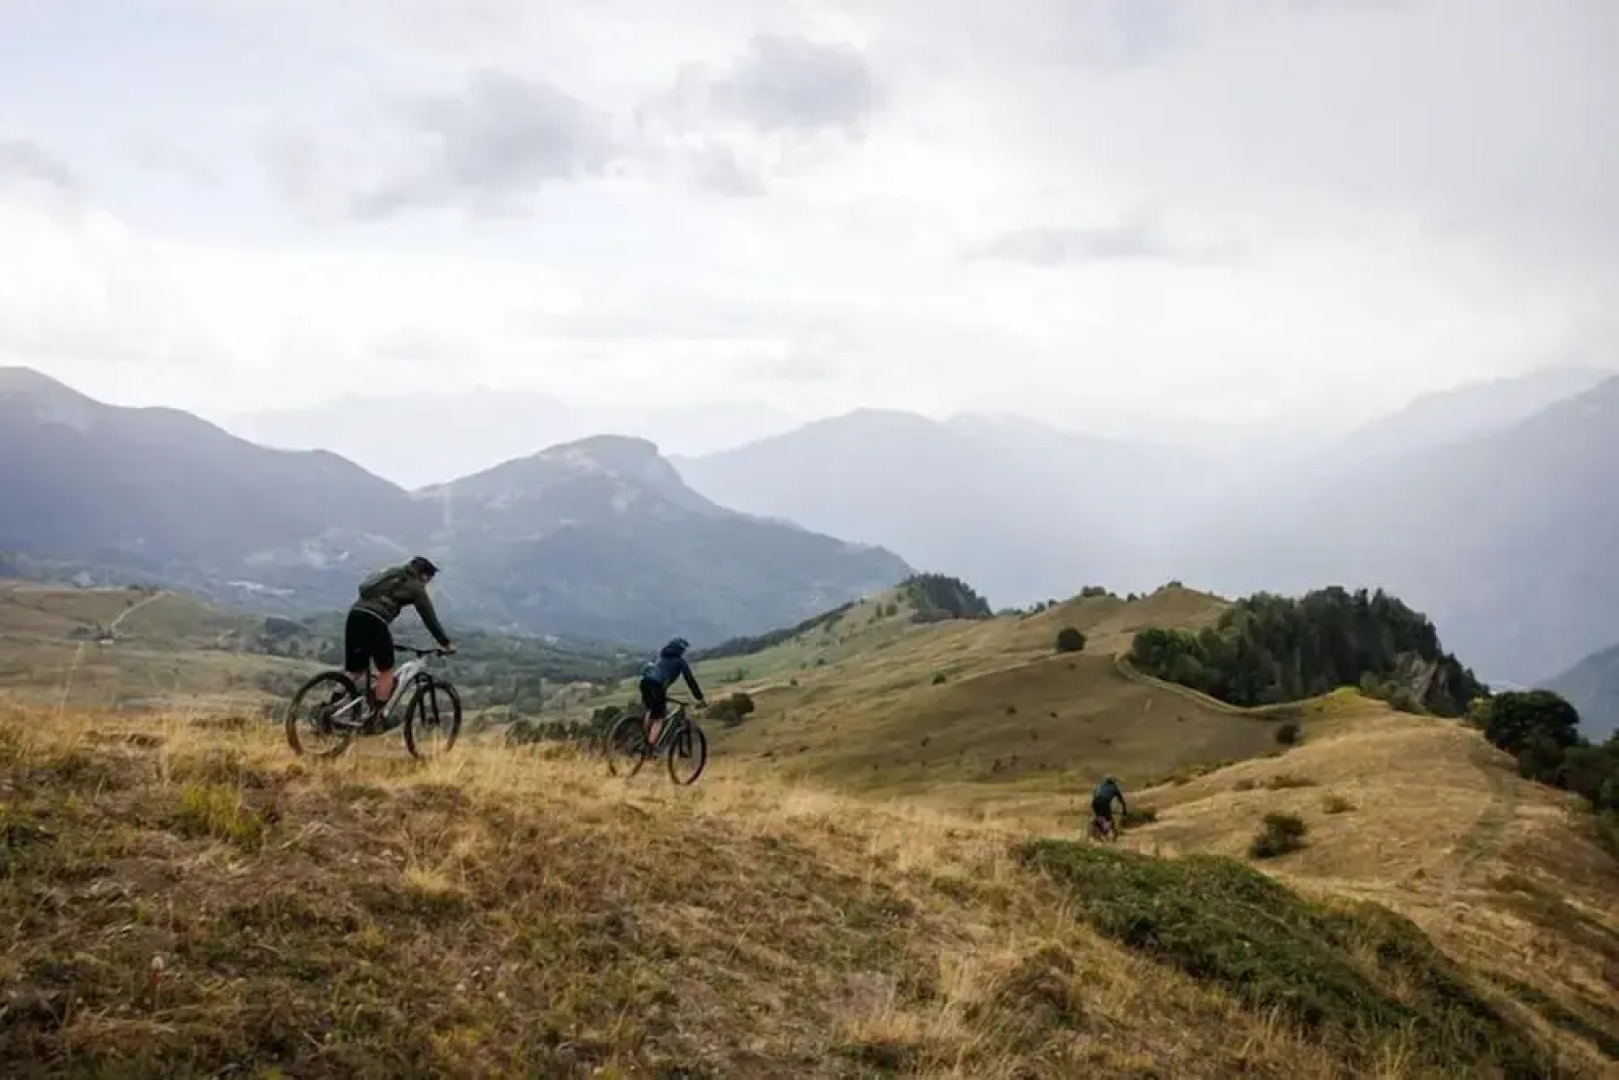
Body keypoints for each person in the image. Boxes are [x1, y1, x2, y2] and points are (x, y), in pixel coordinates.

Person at [345, 555, 455, 718]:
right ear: (424, 575)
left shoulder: (391, 573)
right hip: (375, 621)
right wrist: (446, 643)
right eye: (429, 579)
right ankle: (377, 716)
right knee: (387, 671)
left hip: (355, 616)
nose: (428, 583)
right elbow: (429, 617)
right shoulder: (416, 587)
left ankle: (332, 705)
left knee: (355, 671)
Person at [639, 637, 705, 745]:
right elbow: (690, 681)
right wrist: (700, 698)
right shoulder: (680, 662)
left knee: (651, 710)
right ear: (680, 650)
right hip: (658, 686)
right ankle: (649, 747)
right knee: (658, 719)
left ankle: (643, 736)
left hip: (644, 683)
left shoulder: (661, 658)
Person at [1090, 774, 1127, 839]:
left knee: (1099, 816)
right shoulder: (1114, 787)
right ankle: (1105, 832)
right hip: (1104, 802)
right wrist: (1124, 811)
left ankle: (1097, 828)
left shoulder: (1101, 785)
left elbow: (1095, 794)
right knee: (1109, 820)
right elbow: (1121, 800)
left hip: (1095, 802)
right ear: (1112, 781)